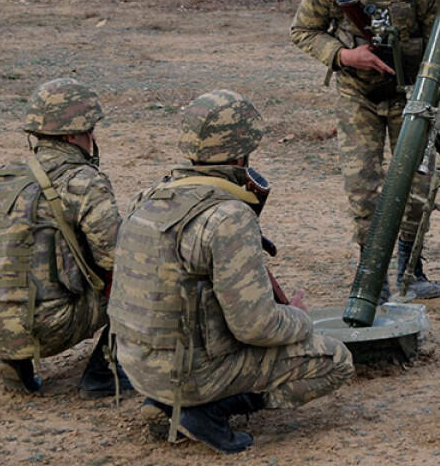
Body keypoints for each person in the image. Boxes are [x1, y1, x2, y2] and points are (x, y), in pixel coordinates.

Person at [109, 89, 354, 455]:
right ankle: (205, 412)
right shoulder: (228, 217)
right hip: (189, 373)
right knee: (335, 360)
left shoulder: (146, 198)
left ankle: (167, 403)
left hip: (137, 367)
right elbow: (255, 326)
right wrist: (299, 319)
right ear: (243, 152)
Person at [290, 0, 440, 300]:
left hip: (410, 97)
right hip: (358, 94)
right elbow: (303, 30)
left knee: (416, 187)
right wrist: (344, 56)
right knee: (363, 187)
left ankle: (410, 268)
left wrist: (438, 85)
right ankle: (371, 274)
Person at [0, 77, 126, 397]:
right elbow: (118, 260)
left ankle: (14, 359)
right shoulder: (83, 180)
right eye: (90, 128)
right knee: (147, 279)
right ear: (75, 133)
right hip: (47, 327)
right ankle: (105, 372)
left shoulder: (4, 179)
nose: (93, 136)